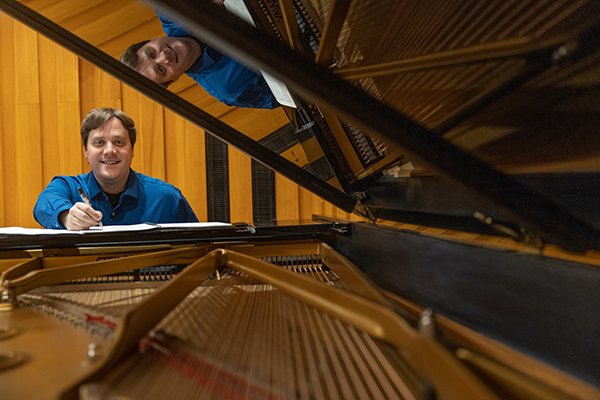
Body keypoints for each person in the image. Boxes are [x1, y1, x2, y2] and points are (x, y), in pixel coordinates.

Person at [34, 108, 198, 230]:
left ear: (132, 150)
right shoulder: (67, 187)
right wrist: (66, 217)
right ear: (86, 151)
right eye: (99, 143)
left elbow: (201, 251)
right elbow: (43, 204)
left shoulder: (167, 198)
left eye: (119, 142)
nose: (110, 151)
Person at [120, 7, 279, 110]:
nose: (165, 56)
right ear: (173, 80)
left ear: (151, 40)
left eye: (151, 53)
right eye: (161, 70)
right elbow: (292, 94)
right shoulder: (229, 89)